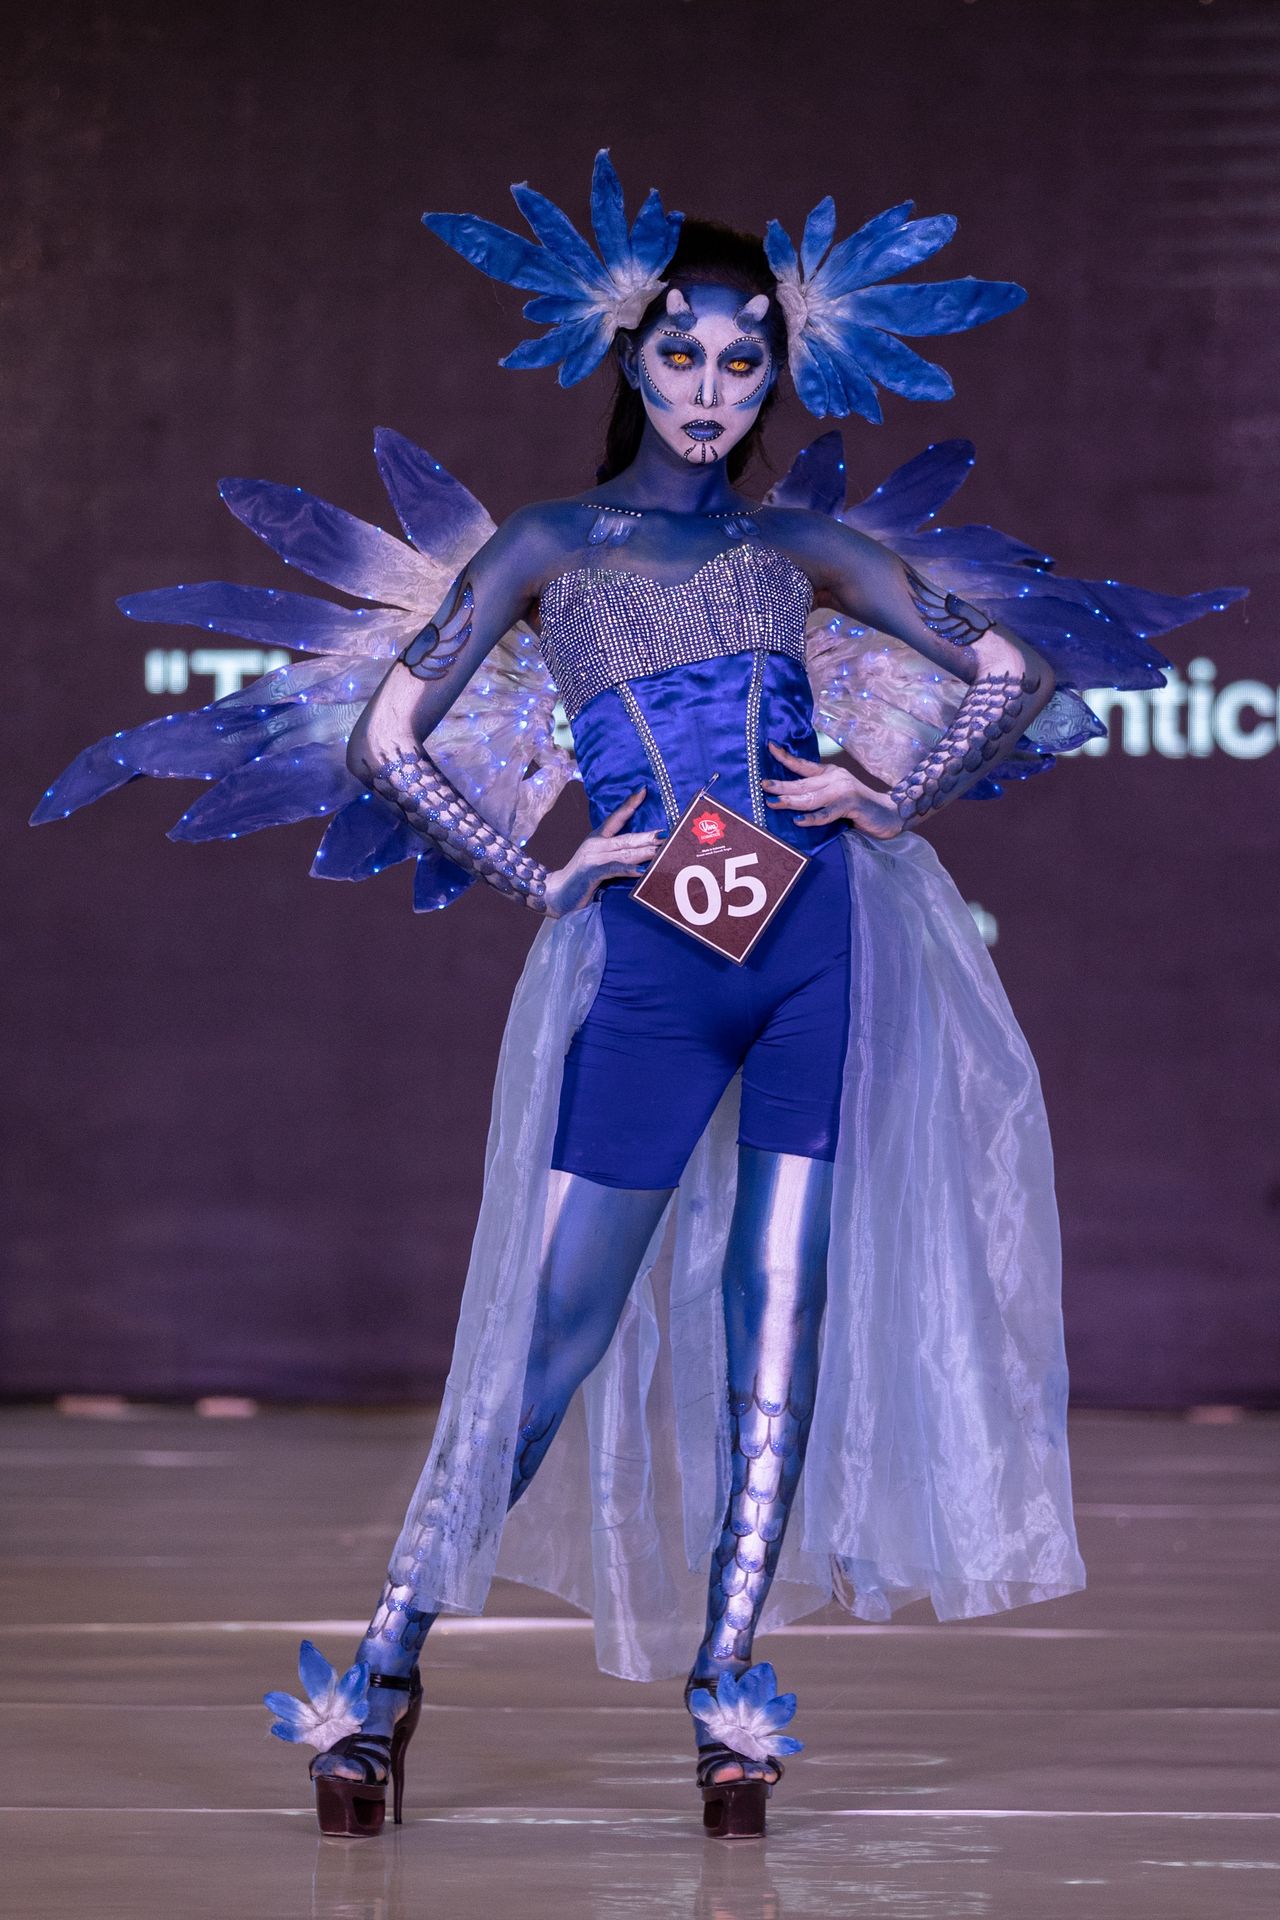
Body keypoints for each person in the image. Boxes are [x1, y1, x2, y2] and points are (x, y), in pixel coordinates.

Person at [33, 152, 1242, 1842]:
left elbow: (1015, 668)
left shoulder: (798, 541)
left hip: (820, 953)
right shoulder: (551, 543)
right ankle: (384, 1675)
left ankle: (728, 1698)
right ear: (629, 352)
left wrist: (891, 798)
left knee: (781, 1337)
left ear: (778, 376)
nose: (708, 388)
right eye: (681, 353)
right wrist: (544, 871)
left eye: (744, 362)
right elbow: (390, 737)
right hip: (656, 974)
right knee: (549, 1337)